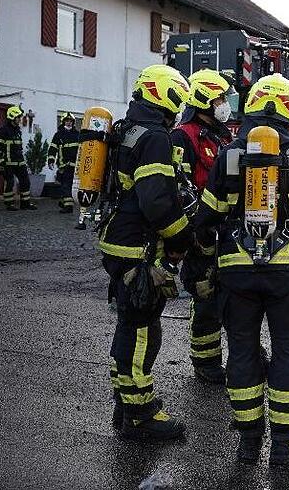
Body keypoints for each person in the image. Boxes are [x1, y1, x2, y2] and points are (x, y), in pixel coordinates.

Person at [191, 73, 289, 465]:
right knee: (288, 350)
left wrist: (212, 258)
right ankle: (286, 444)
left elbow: (205, 220)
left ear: (252, 105)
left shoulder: (228, 155)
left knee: (241, 350)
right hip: (286, 274)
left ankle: (248, 441)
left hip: (236, 274)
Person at [99, 64, 193, 441]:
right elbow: (156, 202)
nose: (179, 108)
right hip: (139, 247)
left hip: (119, 241)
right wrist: (181, 237)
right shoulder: (154, 137)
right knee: (141, 330)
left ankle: (124, 403)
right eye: (177, 99)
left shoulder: (128, 128)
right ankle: (140, 414)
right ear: (164, 95)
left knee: (129, 324)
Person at [170, 68, 236, 384]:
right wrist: (195, 231)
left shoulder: (222, 136)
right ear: (204, 100)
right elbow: (179, 188)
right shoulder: (183, 135)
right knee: (206, 296)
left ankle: (243, 354)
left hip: (227, 231)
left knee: (234, 296)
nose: (224, 104)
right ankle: (206, 361)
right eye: (220, 98)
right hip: (201, 233)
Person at [0, 105, 37, 211]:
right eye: (18, 117)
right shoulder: (2, 131)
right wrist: (1, 161)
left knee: (25, 181)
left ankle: (25, 203)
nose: (20, 119)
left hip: (20, 162)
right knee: (10, 182)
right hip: (8, 163)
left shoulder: (17, 130)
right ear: (12, 117)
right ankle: (9, 204)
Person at [48, 112, 79, 213]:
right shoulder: (59, 135)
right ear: (63, 122)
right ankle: (64, 201)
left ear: (73, 122)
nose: (69, 123)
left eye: (70, 121)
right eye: (67, 121)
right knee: (63, 184)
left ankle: (68, 206)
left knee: (67, 185)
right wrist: (51, 160)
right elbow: (53, 148)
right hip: (63, 165)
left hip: (74, 165)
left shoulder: (77, 134)